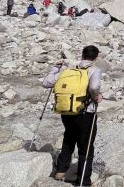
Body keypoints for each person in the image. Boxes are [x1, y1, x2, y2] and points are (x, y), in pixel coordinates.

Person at [43, 45, 103, 186]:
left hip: (67, 112)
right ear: (96, 58)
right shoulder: (94, 70)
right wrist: (96, 97)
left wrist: (55, 68)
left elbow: (46, 83)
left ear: (81, 55)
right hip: (85, 113)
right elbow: (94, 87)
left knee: (69, 138)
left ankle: (61, 171)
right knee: (86, 147)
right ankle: (83, 181)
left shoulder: (68, 70)